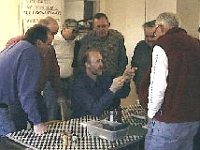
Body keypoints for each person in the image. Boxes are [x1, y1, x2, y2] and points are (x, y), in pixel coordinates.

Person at [138, 12, 200, 150]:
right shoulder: (196, 44)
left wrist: (151, 113)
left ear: (160, 27)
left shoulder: (163, 45)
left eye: (155, 31)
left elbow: (158, 86)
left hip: (169, 119)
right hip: (193, 118)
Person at [6, 16, 63, 122]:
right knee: (18, 128)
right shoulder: (24, 48)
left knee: (43, 118)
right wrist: (36, 122)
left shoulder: (48, 49)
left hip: (34, 91)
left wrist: (59, 94)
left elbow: (54, 72)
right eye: (51, 33)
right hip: (15, 96)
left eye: (55, 33)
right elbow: (24, 89)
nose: (53, 37)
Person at [0, 25, 52, 136]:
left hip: (5, 102)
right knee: (11, 141)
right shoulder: (30, 53)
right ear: (38, 43)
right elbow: (26, 93)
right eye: (48, 44)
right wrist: (37, 122)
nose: (49, 48)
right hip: (3, 104)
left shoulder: (19, 46)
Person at [77, 12, 128, 110]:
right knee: (97, 107)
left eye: (104, 26)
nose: (101, 29)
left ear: (109, 25)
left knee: (113, 108)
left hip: (113, 78)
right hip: (95, 82)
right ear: (93, 27)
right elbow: (81, 61)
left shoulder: (117, 38)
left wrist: (119, 77)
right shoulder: (87, 39)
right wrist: (88, 80)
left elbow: (122, 59)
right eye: (98, 26)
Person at [71, 48, 135, 118]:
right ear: (87, 65)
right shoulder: (79, 85)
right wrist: (112, 90)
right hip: (82, 122)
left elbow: (123, 94)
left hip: (101, 120)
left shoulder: (104, 78)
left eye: (101, 61)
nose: (101, 64)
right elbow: (95, 110)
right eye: (98, 61)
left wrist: (126, 80)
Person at [48, 18, 79, 120]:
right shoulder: (54, 40)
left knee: (68, 110)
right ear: (65, 28)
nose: (75, 34)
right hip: (53, 82)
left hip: (69, 81)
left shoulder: (75, 42)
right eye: (73, 31)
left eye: (77, 32)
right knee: (52, 110)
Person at [131, 20, 156, 94]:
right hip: (141, 90)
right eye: (146, 36)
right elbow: (134, 64)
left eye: (152, 36)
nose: (149, 39)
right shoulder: (140, 46)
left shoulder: (164, 49)